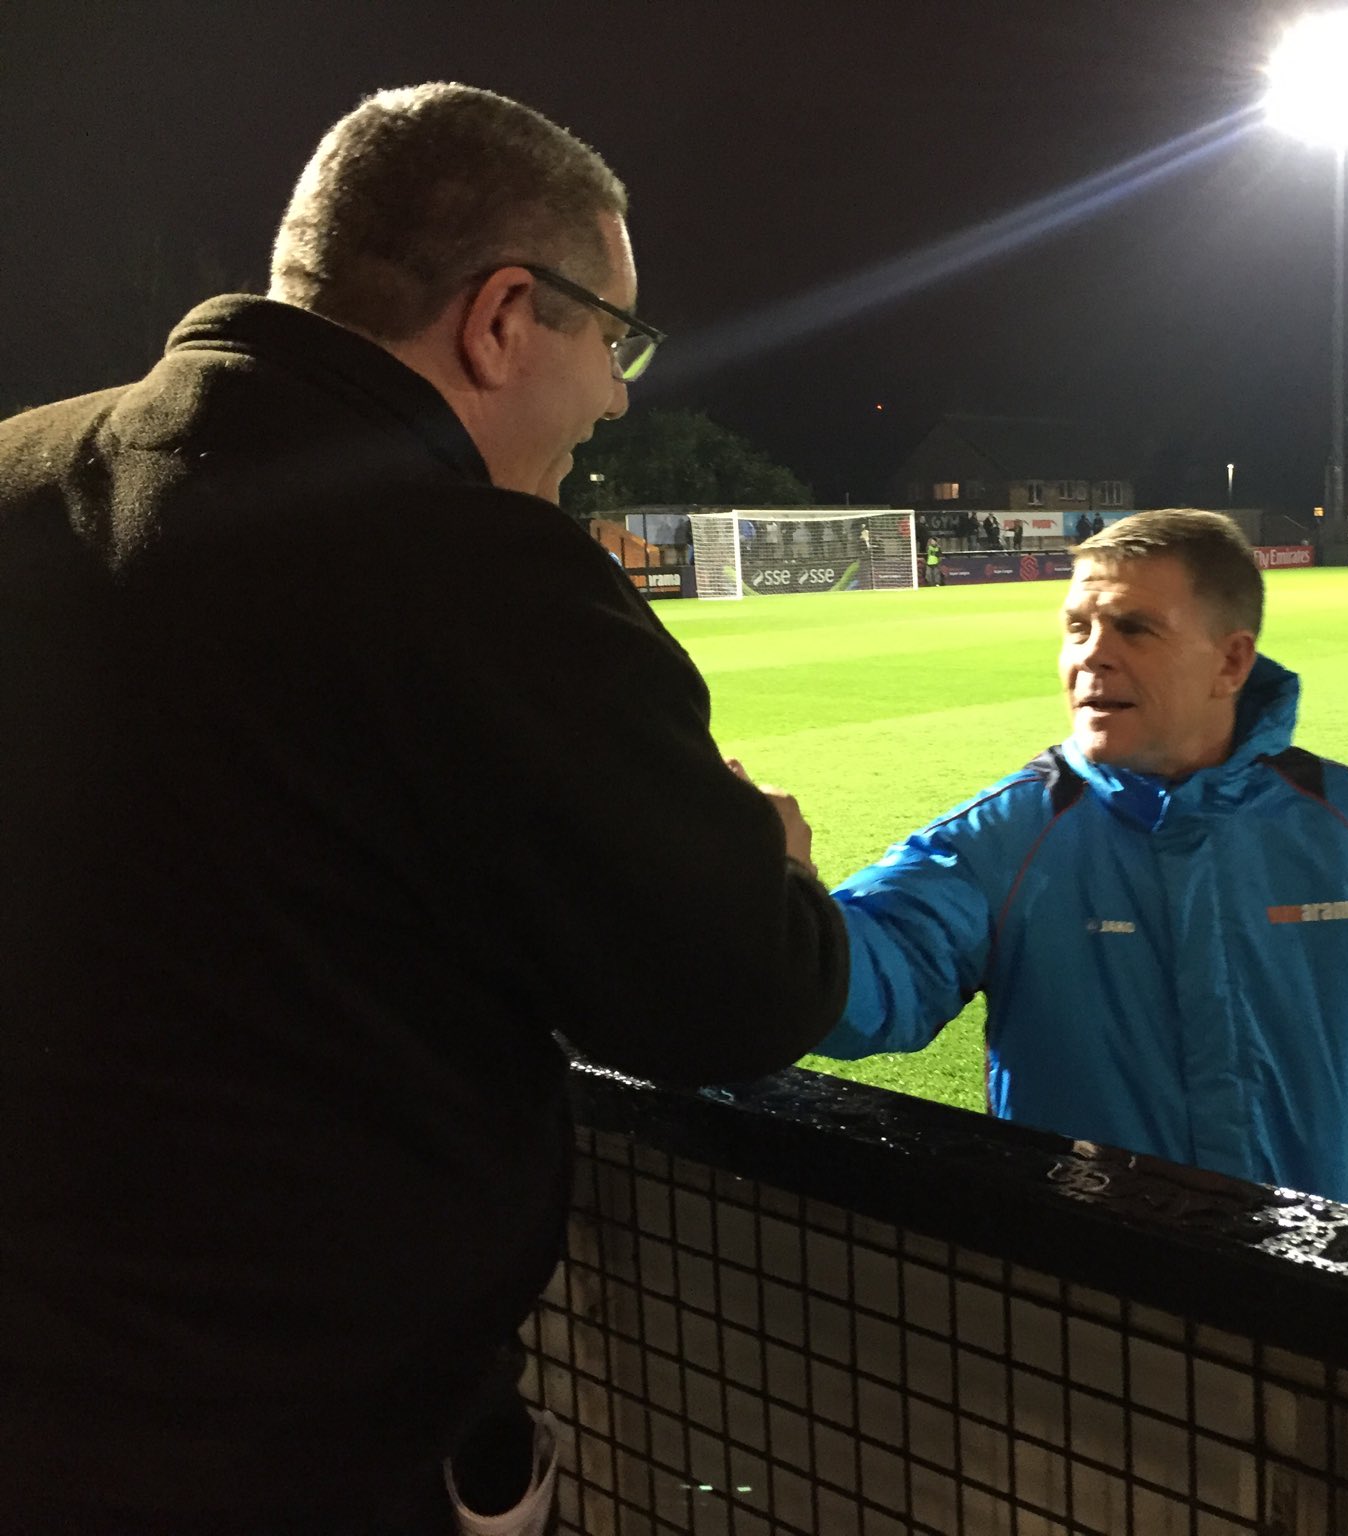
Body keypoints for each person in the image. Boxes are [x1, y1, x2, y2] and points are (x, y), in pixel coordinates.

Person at [0, 84, 848, 1535]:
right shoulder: (482, 573)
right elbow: (733, 994)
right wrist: (769, 855)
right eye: (616, 336)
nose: (620, 394)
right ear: (506, 315)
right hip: (292, 1453)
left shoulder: (20, 472)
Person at [813, 510, 1348, 1220]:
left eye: (1133, 628)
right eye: (1077, 627)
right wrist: (775, 900)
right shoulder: (1010, 835)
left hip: (1307, 1281)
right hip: (1088, 1286)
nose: (1092, 654)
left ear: (1231, 662)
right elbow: (871, 984)